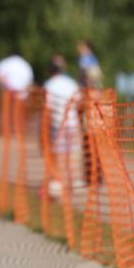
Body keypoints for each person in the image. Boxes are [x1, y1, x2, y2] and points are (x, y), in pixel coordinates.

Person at [43, 55, 80, 198]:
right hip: (73, 123)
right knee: (73, 153)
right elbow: (79, 102)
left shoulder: (49, 85)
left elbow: (48, 108)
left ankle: (59, 182)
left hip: (57, 124)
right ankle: (74, 182)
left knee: (60, 154)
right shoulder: (71, 83)